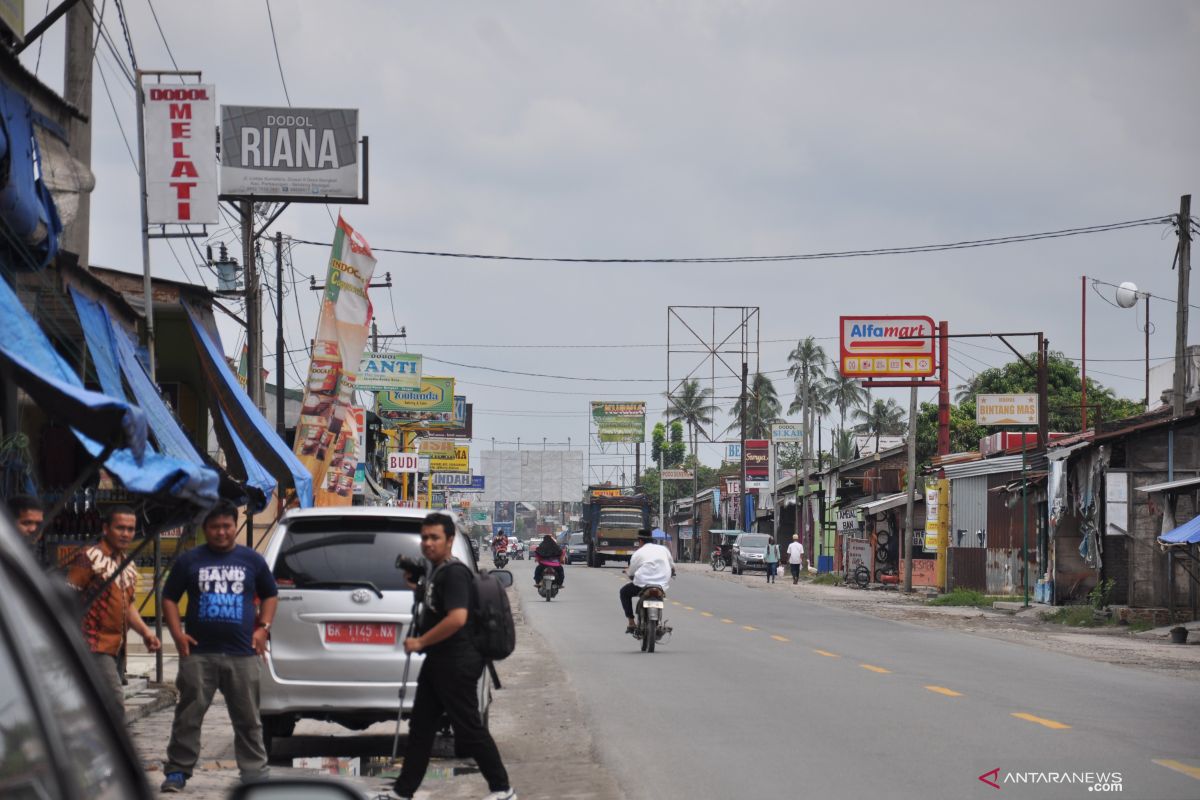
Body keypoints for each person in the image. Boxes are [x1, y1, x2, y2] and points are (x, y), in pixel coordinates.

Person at [392, 513, 516, 800]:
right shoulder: (437, 571)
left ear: (449, 540)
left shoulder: (455, 572)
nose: (428, 543)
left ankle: (503, 789)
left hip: (457, 663)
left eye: (435, 537)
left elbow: (457, 618)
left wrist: (420, 641)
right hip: (438, 663)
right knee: (421, 729)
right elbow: (436, 606)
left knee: (470, 729)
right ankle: (402, 792)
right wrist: (417, 588)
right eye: (424, 538)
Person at [159, 501, 278, 793]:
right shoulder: (190, 561)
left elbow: (271, 595)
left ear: (234, 526)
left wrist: (263, 629)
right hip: (199, 654)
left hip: (242, 654)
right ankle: (177, 771)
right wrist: (177, 635)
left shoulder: (252, 561)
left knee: (249, 719)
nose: (221, 532)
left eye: (226, 526)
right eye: (215, 527)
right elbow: (169, 598)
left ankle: (254, 775)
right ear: (205, 529)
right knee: (188, 716)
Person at [65, 505, 161, 720]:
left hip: (116, 647)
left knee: (95, 704)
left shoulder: (128, 564)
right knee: (114, 703)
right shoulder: (89, 558)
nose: (126, 534)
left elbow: (128, 606)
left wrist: (146, 633)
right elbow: (68, 598)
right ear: (106, 528)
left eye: (130, 529)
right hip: (91, 643)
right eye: (120, 528)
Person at [620, 529, 675, 633]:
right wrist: (672, 571)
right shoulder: (663, 549)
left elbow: (632, 571)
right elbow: (672, 565)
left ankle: (631, 622)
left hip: (642, 584)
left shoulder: (638, 553)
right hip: (661, 584)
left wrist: (628, 572)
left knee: (624, 592)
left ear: (640, 541)